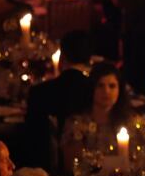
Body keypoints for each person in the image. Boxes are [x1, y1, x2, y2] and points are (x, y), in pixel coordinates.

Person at [22, 30, 93, 168]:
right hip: (86, 164)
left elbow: (30, 138)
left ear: (63, 56)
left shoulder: (39, 92)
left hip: (44, 167)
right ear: (90, 59)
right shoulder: (95, 89)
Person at [61, 62, 141, 167]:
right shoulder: (77, 124)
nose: (106, 91)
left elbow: (140, 159)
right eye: (100, 86)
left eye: (112, 86)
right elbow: (72, 164)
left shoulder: (131, 122)